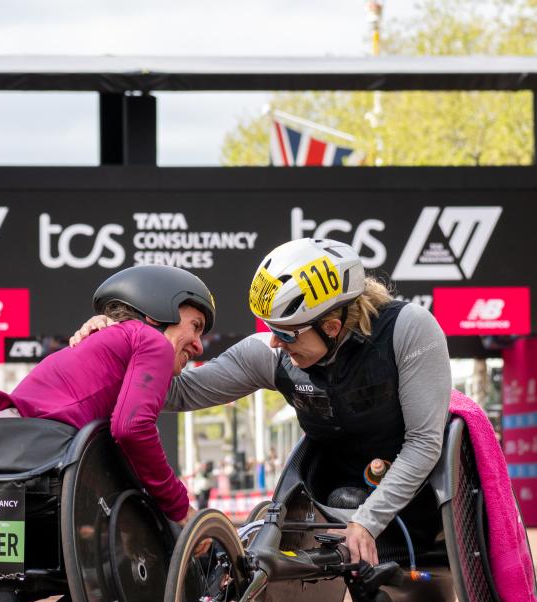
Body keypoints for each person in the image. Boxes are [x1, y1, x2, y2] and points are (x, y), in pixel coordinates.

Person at [73, 237, 452, 571]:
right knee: (339, 501)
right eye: (269, 328)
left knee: (354, 502)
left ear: (331, 328)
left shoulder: (409, 329)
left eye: (285, 333)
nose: (274, 342)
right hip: (333, 499)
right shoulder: (270, 355)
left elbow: (424, 442)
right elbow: (177, 391)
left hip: (422, 503)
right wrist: (112, 345)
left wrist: (368, 520)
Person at [0, 264, 216, 602]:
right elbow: (132, 429)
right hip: (45, 464)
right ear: (159, 311)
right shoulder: (151, 342)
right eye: (195, 326)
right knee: (163, 517)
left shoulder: (101, 341)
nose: (199, 345)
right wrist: (180, 507)